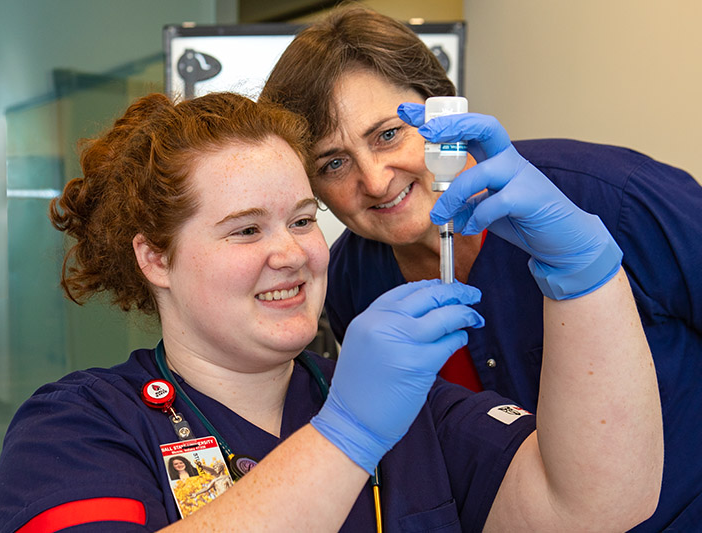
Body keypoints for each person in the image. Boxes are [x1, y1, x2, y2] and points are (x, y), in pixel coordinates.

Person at [0, 91, 661, 532]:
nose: (292, 253)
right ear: (156, 258)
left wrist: (586, 276)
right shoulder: (78, 425)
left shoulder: (408, 404)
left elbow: (597, 505)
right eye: (246, 230)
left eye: (303, 219)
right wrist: (345, 435)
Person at [261, 5, 702, 530]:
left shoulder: (609, 195)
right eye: (333, 163)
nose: (375, 180)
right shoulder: (350, 280)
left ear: (446, 110)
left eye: (387, 135)